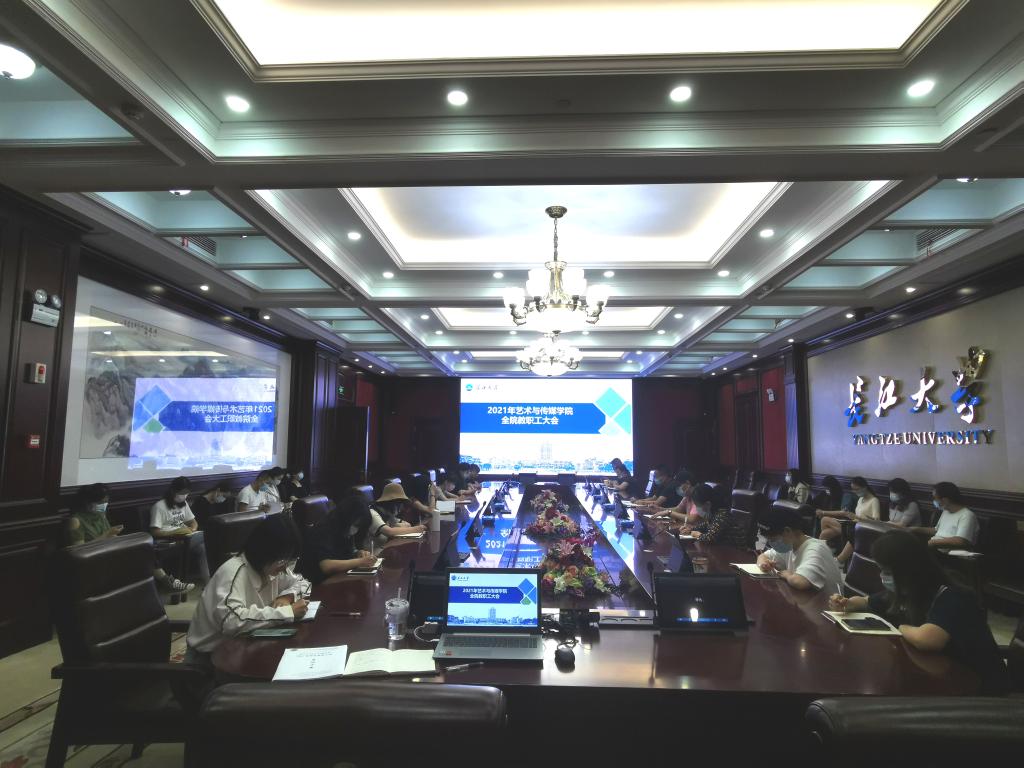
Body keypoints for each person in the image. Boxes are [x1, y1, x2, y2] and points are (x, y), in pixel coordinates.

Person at [828, 531, 1008, 694]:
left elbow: (927, 639)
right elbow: (867, 601)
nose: (883, 576)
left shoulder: (953, 594)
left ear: (909, 570)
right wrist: (847, 603)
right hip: (941, 679)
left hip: (979, 691)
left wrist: (900, 628)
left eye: (887, 571)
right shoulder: (908, 591)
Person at [186, 515, 310, 665]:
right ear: (265, 551)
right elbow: (232, 621)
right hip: (210, 659)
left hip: (245, 646)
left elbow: (304, 583)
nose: (285, 568)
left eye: (290, 561)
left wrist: (287, 597)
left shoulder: (272, 567)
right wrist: (287, 613)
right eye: (283, 561)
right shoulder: (233, 572)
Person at [756, 504, 844, 595]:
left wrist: (787, 575)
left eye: (772, 539)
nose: (771, 543)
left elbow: (800, 582)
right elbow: (763, 556)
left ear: (787, 531)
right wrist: (764, 564)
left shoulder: (815, 549)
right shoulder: (790, 544)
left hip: (826, 602)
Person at [298, 489, 378, 584]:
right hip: (317, 583)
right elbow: (326, 566)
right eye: (356, 525)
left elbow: (345, 554)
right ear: (346, 518)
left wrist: (357, 553)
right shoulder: (323, 530)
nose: (356, 530)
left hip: (339, 577)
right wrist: (360, 561)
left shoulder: (344, 530)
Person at [150, 476, 210, 583]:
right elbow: (154, 532)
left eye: (187, 493)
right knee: (205, 541)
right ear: (173, 491)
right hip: (169, 540)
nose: (184, 496)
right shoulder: (159, 506)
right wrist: (173, 533)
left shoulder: (184, 504)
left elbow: (193, 522)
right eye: (182, 493)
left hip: (185, 537)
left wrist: (192, 529)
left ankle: (208, 581)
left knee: (205, 544)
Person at [820, 476, 880, 564]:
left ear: (864, 487)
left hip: (863, 528)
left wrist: (858, 518)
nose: (855, 492)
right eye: (853, 489)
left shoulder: (874, 500)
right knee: (824, 533)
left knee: (825, 520)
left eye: (857, 489)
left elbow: (876, 521)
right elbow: (856, 516)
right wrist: (850, 515)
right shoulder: (860, 499)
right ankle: (824, 554)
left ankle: (837, 558)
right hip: (853, 524)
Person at [914, 481, 979, 549]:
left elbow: (960, 541)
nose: (934, 501)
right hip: (936, 548)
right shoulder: (946, 511)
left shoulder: (967, 515)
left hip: (951, 553)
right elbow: (936, 530)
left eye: (935, 498)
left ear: (945, 500)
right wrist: (914, 529)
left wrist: (933, 542)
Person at [679, 483, 747, 546]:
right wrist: (690, 529)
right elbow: (704, 526)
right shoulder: (713, 513)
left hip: (736, 551)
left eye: (698, 505)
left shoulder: (722, 515)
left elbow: (709, 539)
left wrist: (698, 535)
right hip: (723, 548)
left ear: (707, 504)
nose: (697, 509)